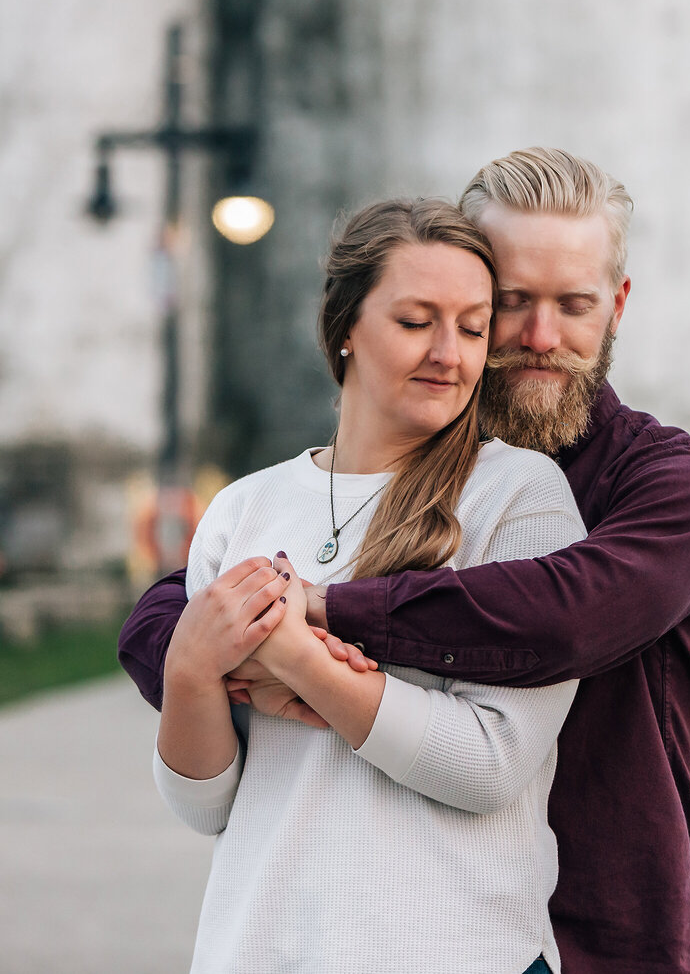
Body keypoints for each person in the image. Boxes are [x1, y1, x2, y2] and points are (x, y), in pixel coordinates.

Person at [120, 148, 690, 974]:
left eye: (574, 304)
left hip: (611, 929)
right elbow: (172, 610)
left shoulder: (665, 483)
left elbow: (560, 616)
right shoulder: (297, 493)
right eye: (510, 303)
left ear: (617, 305)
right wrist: (206, 659)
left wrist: (312, 621)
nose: (540, 337)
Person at [154, 198, 586, 974]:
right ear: (346, 325)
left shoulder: (520, 498)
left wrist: (295, 658)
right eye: (417, 320)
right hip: (262, 949)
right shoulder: (244, 508)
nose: (449, 354)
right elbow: (207, 804)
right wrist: (188, 670)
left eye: (473, 326)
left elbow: (489, 764)